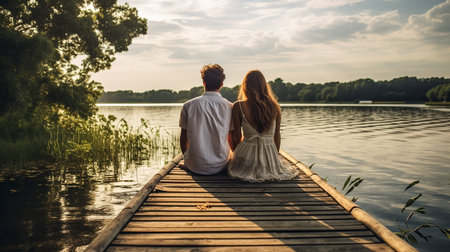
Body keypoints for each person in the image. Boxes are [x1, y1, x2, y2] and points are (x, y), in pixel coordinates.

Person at [228, 70, 299, 182]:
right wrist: (274, 159)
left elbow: (237, 137)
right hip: (269, 153)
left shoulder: (238, 106)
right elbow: (277, 136)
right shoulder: (275, 106)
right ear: (263, 85)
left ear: (245, 86)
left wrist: (238, 158)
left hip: (247, 155)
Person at [179, 64, 233, 175]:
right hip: (221, 165)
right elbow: (232, 138)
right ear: (222, 84)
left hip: (195, 166)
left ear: (203, 83)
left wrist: (187, 159)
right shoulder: (230, 107)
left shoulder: (188, 105)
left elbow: (183, 138)